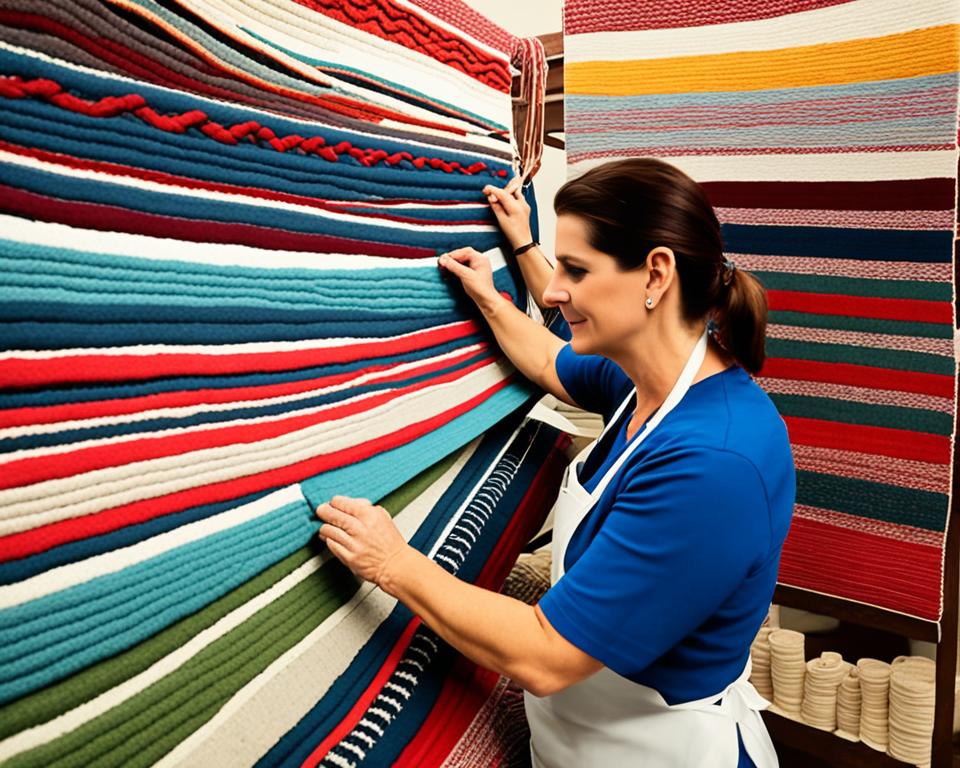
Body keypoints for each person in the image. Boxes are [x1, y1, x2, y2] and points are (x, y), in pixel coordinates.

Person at [315, 158, 795, 767]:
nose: (550, 291)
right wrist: (492, 292)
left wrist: (393, 562)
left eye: (576, 269)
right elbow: (548, 358)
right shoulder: (639, 380)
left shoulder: (714, 462)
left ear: (655, 274)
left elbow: (547, 654)